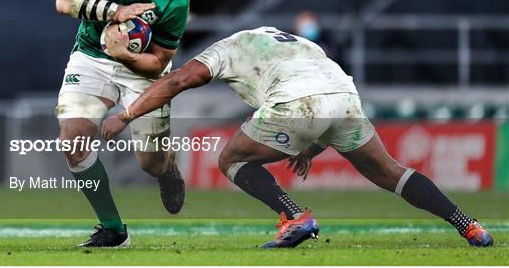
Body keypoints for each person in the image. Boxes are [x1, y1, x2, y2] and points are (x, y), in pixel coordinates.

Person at [101, 27, 494, 249]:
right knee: (391, 172)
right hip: (343, 95)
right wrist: (313, 144)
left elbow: (177, 81)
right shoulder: (294, 41)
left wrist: (126, 114)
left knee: (231, 160)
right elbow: (323, 88)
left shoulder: (223, 50)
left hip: (297, 100)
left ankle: (295, 217)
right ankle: (469, 225)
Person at [55, 0, 191, 247]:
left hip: (142, 72)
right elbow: (64, 0)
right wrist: (117, 11)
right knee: (73, 142)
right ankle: (113, 230)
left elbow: (158, 61)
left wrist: (125, 55)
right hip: (91, 55)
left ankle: (167, 166)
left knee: (150, 162)